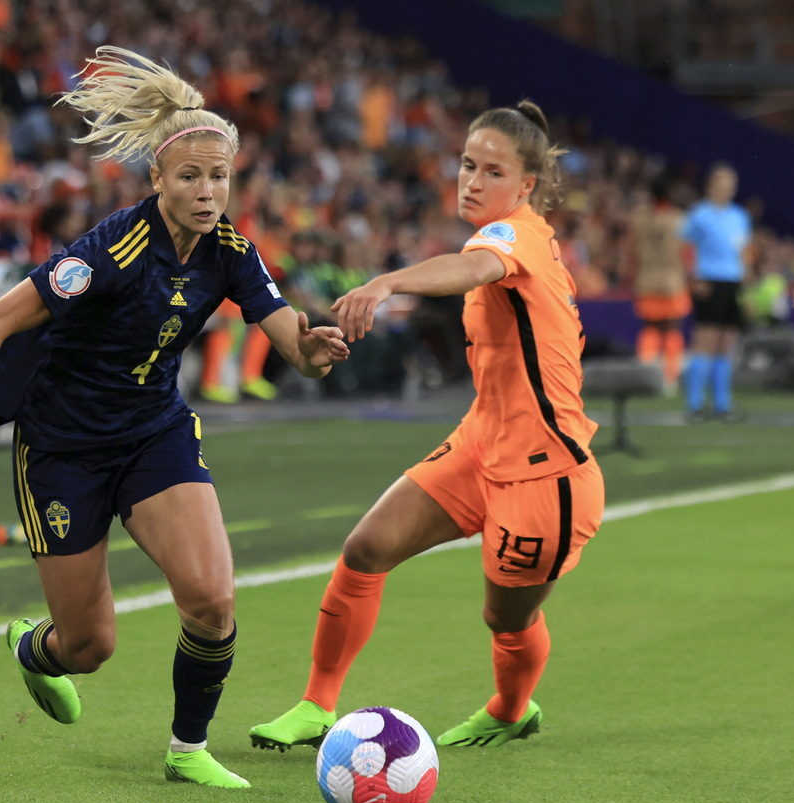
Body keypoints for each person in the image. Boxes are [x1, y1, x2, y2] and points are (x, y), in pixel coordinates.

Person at [0, 46, 349, 788]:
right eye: (190, 176)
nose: (207, 191)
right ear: (157, 178)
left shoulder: (231, 252)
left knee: (212, 600)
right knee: (88, 647)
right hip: (62, 448)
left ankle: (188, 748)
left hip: (152, 433)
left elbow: (293, 345)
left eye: (220, 176)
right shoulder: (110, 249)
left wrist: (315, 352)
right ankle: (33, 648)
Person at [249, 100, 604, 751]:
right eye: (467, 164)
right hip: (483, 440)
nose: (472, 181)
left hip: (546, 473)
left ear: (526, 185)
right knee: (366, 549)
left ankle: (511, 707)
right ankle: (315, 706)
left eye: (493, 171)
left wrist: (385, 283)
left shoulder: (515, 236)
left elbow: (473, 268)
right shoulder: (511, 234)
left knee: (505, 618)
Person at [682, 162, 752, 419]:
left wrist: (747, 282)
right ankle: (695, 403)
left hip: (732, 282)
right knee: (705, 341)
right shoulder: (699, 214)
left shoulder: (739, 216)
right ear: (711, 185)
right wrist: (693, 278)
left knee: (726, 343)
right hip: (709, 280)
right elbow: (686, 248)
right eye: (722, 184)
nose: (727, 189)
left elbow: (744, 252)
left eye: (730, 185)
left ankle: (723, 403)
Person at [630, 176, 689, 395]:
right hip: (672, 281)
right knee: (672, 329)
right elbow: (686, 252)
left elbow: (632, 252)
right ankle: (670, 378)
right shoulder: (679, 219)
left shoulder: (640, 219)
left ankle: (645, 374)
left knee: (649, 329)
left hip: (646, 279)